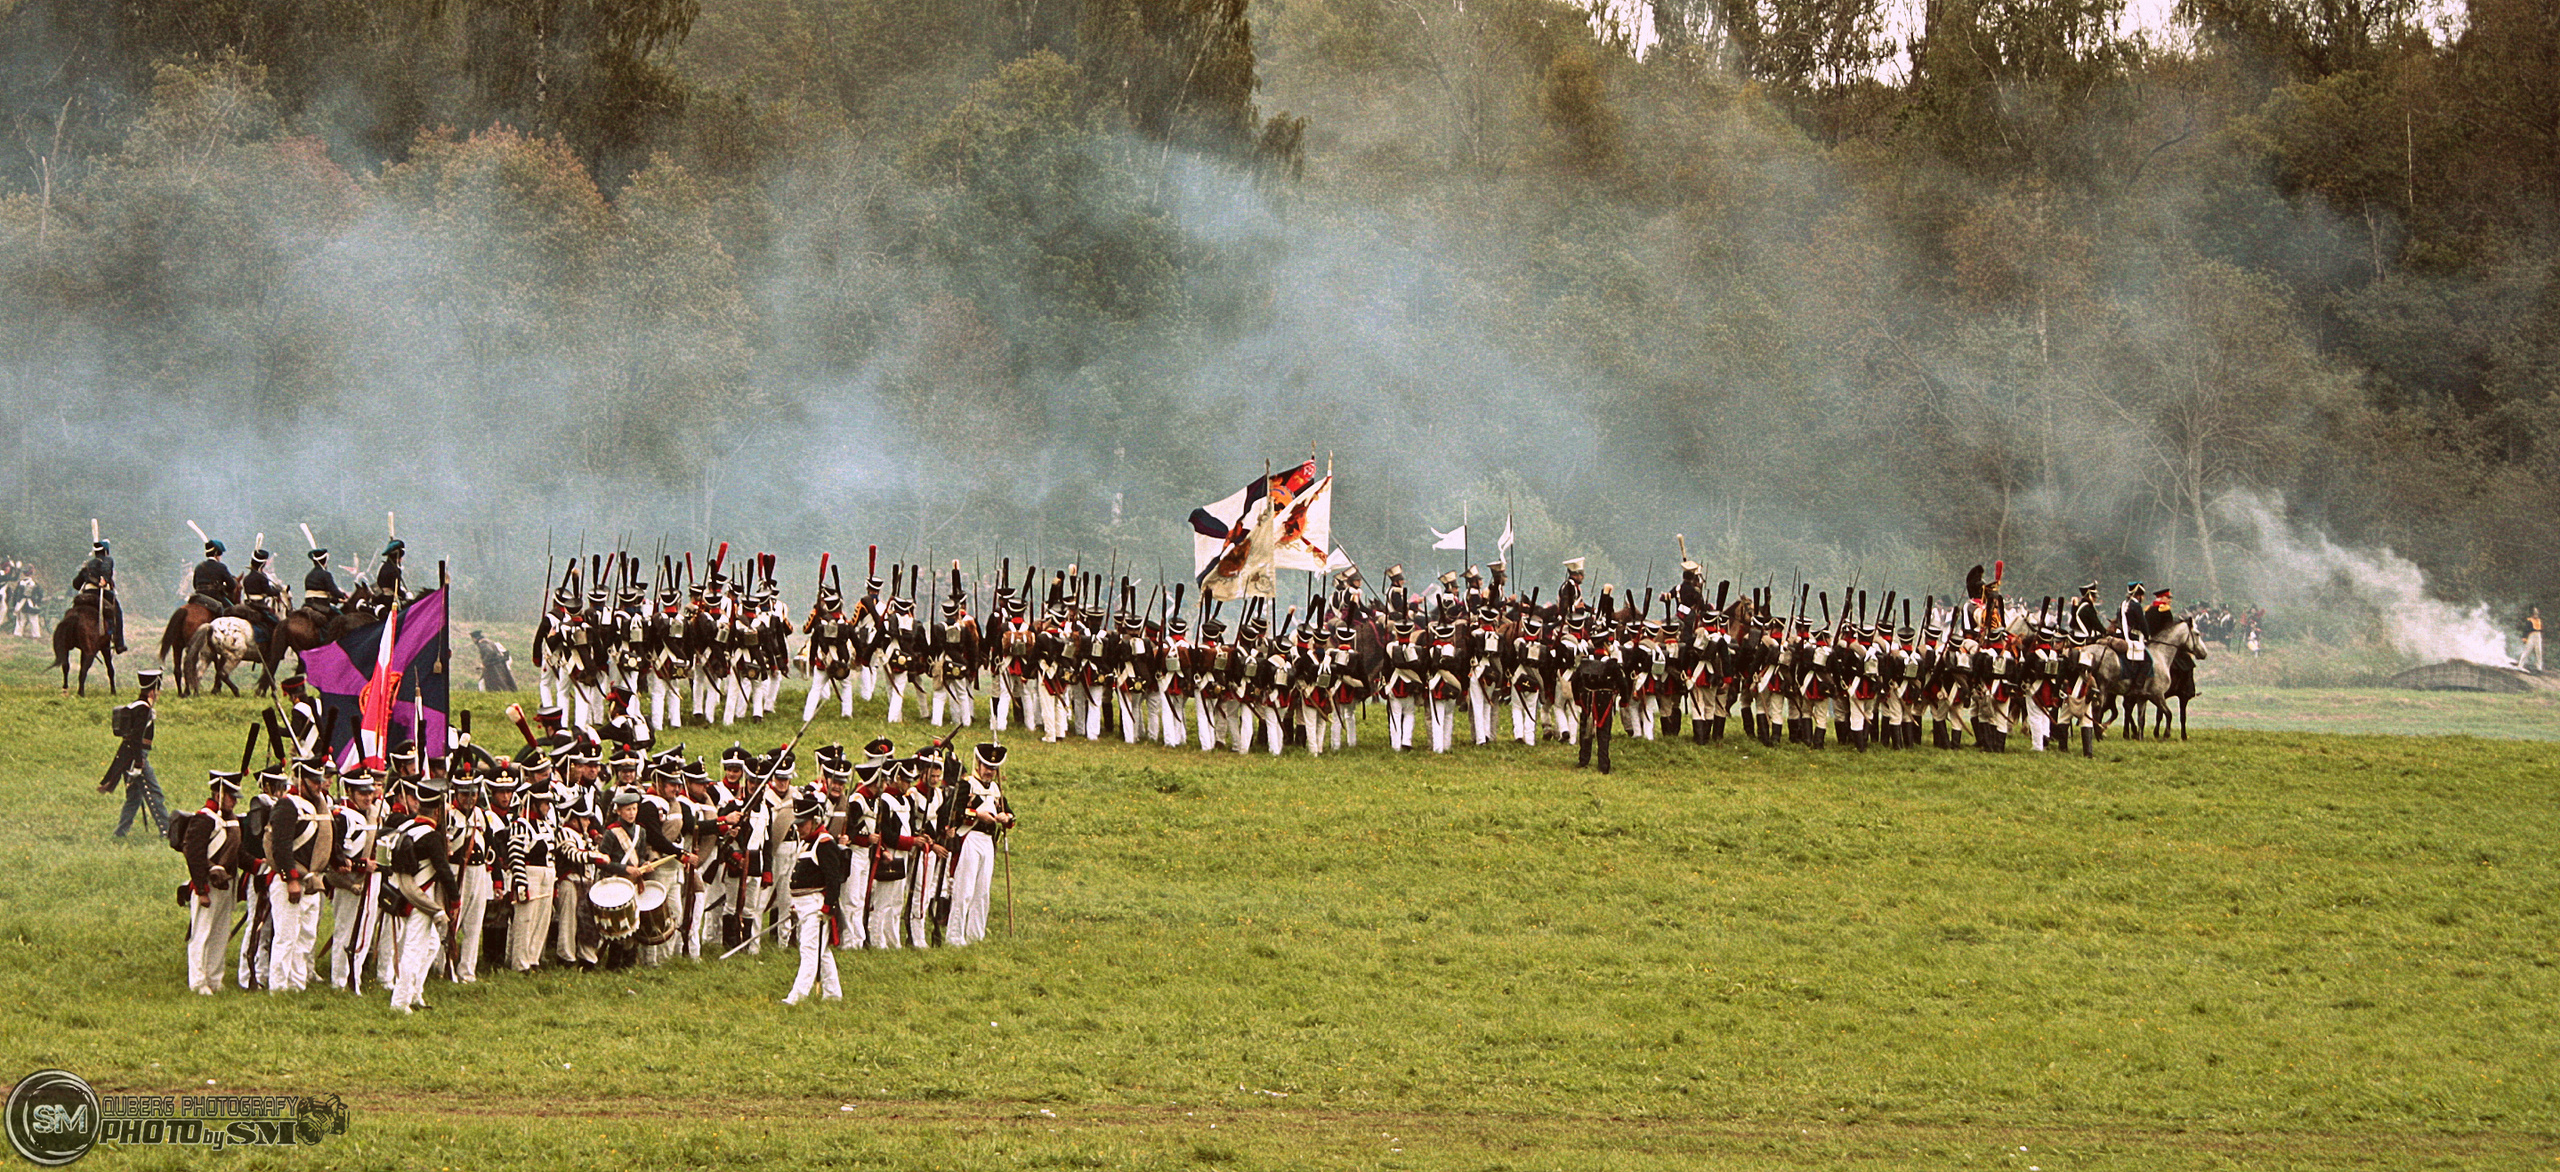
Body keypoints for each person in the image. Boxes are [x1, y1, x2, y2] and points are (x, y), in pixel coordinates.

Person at [262, 765, 338, 993]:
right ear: (301, 780)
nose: (319, 785)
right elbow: (281, 845)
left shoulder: (318, 805)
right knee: (286, 937)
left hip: (311, 879)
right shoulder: (288, 805)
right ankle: (278, 986)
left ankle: (297, 984)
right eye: (313, 781)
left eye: (319, 780)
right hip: (291, 880)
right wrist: (291, 879)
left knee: (306, 936)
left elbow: (324, 840)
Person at [386, 777, 455, 1014]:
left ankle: (415, 992)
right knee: (413, 950)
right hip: (421, 898)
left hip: (403, 894)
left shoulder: (406, 827)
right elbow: (444, 871)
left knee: (431, 945)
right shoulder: (431, 836)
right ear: (437, 810)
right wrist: (454, 899)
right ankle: (399, 1002)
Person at [780, 791, 848, 1005]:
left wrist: (828, 906)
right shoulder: (807, 843)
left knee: (809, 951)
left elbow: (833, 879)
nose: (799, 828)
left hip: (816, 906)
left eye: (803, 824)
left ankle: (796, 997)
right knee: (821, 951)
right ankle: (833, 994)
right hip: (803, 905)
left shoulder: (825, 843)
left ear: (815, 821)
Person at [180, 771, 244, 995]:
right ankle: (198, 981)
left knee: (219, 934)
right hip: (207, 885)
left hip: (225, 885)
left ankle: (215, 978)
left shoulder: (229, 820)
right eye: (231, 796)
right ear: (218, 794)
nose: (234, 801)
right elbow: (194, 854)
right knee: (202, 933)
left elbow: (236, 853)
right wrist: (201, 889)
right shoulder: (204, 818)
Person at [947, 743, 1014, 946]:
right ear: (978, 764)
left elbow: (1010, 814)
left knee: (982, 892)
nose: (989, 772)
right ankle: (955, 936)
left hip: (988, 841)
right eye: (986, 767)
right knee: (964, 890)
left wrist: (1006, 817)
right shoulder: (967, 785)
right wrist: (977, 815)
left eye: (993, 768)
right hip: (970, 838)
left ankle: (976, 935)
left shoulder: (995, 789)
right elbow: (953, 812)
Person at [100, 669, 168, 838]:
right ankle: (167, 831)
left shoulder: (135, 706)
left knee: (134, 798)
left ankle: (120, 833)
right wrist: (138, 763)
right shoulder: (143, 709)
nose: (158, 694)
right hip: (137, 757)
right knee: (155, 793)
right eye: (157, 690)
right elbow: (136, 738)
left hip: (129, 755)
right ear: (152, 691)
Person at [73, 538, 126, 652]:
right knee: (118, 613)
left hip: (87, 593)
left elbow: (76, 585)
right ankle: (119, 644)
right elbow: (106, 569)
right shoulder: (107, 560)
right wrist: (104, 579)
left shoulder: (87, 564)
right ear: (106, 551)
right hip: (102, 592)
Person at [2523, 607, 2544, 673]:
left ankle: (2539, 667)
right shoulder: (2529, 620)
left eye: (2536, 612)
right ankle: (2520, 664)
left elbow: (2541, 629)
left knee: (2539, 651)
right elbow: (2526, 629)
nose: (2536, 613)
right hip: (2532, 635)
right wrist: (2524, 637)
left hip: (2538, 635)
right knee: (2527, 650)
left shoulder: (2539, 620)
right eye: (2535, 612)